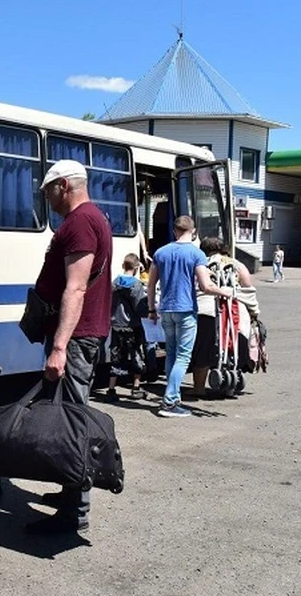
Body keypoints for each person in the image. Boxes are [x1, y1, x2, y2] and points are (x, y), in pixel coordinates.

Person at [28, 159, 112, 535]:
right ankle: (69, 493)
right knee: (65, 417)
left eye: (48, 192)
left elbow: (76, 287)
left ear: (64, 185)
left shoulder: (79, 222)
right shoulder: (95, 218)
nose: (47, 199)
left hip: (75, 339)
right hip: (80, 335)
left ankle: (74, 513)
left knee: (72, 421)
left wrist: (59, 346)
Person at [147, 217, 232, 417]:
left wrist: (151, 309)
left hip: (166, 309)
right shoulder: (197, 254)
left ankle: (173, 397)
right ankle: (169, 402)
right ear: (193, 232)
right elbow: (205, 286)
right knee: (184, 356)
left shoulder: (161, 252)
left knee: (172, 354)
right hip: (186, 309)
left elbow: (151, 285)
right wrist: (225, 292)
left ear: (174, 230)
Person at [190, 237, 260, 397]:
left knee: (203, 348)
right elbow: (248, 288)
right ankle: (229, 387)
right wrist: (254, 312)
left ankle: (198, 388)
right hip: (233, 311)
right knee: (231, 347)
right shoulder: (236, 264)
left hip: (205, 310)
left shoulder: (200, 263)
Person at [106, 253, 148, 402]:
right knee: (136, 354)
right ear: (137, 268)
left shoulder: (114, 283)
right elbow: (140, 308)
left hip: (116, 325)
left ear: (123, 266)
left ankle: (111, 389)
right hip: (132, 326)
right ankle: (136, 388)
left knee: (116, 356)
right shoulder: (137, 285)